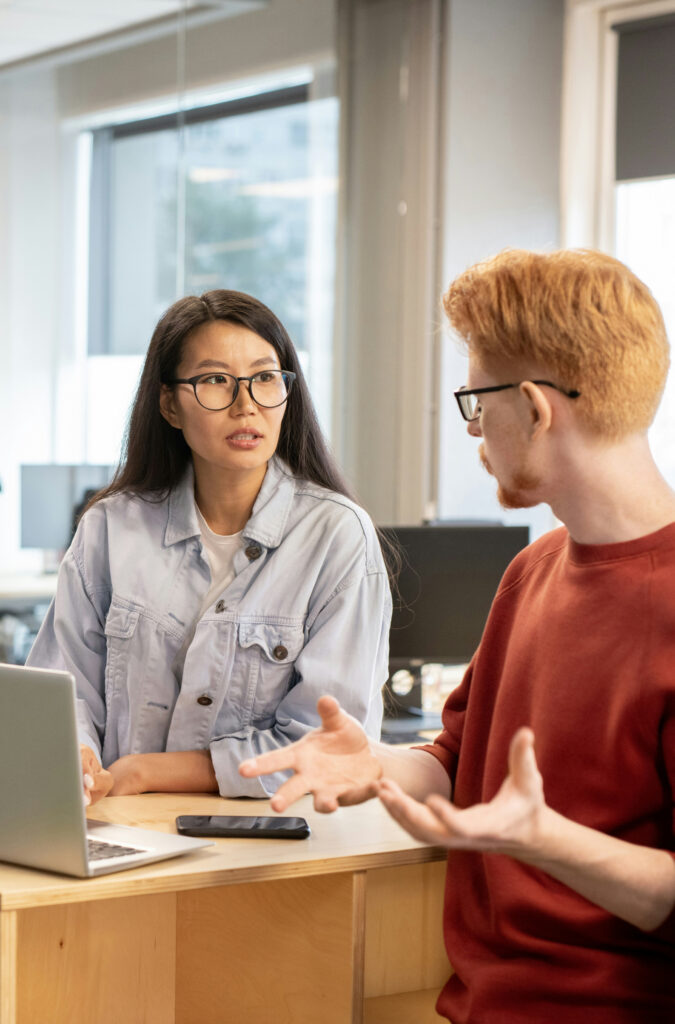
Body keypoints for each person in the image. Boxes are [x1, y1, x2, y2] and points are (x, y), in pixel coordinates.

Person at [240, 250, 675, 1022]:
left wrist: (543, 840)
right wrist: (377, 765)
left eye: (476, 401)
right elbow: (455, 767)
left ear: (536, 410)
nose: (475, 431)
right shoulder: (532, 571)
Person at [27, 290, 391, 806]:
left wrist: (145, 772)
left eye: (265, 377)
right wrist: (78, 756)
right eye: (215, 380)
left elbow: (324, 745)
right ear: (170, 403)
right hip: (122, 829)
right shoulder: (111, 528)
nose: (246, 404)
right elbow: (61, 694)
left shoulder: (336, 535)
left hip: (271, 840)